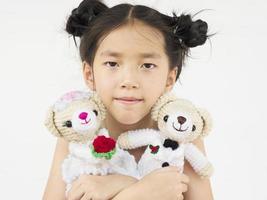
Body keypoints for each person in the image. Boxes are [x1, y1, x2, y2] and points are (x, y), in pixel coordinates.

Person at [43, 0, 214, 199]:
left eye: (148, 65)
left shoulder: (181, 133)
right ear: (90, 74)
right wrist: (137, 190)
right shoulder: (78, 133)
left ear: (169, 78)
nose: (129, 81)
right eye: (112, 63)